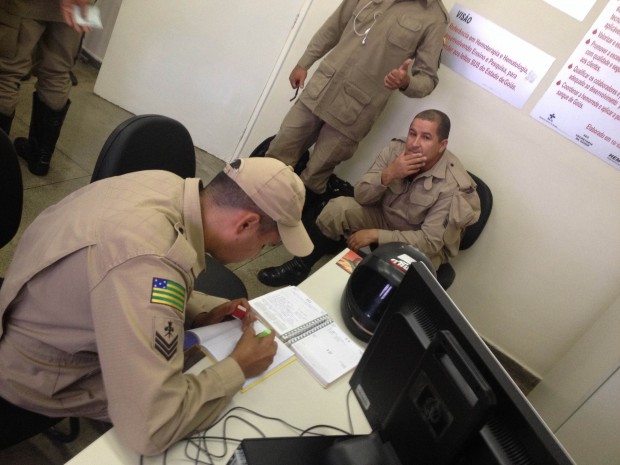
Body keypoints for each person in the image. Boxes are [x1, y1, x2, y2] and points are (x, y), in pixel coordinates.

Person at [0, 157, 313, 455]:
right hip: (34, 370)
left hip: (40, 307)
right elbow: (150, 429)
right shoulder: (149, 260)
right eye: (265, 245)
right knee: (203, 406)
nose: (257, 253)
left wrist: (197, 313)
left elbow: (132, 280)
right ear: (245, 224)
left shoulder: (166, 184)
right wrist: (239, 366)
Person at [258, 109, 481, 287]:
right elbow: (361, 195)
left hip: (422, 246)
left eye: (426, 137)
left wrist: (376, 235)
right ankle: (299, 267)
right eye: (413, 133)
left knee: (391, 281)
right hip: (386, 217)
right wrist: (390, 174)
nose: (414, 143)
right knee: (338, 208)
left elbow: (429, 242)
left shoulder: (454, 186)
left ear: (442, 145)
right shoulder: (396, 149)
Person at [266, 0, 449, 209]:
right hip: (320, 90)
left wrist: (406, 82)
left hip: (353, 113)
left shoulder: (434, 18)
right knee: (277, 154)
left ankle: (286, 223)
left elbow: (428, 79)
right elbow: (334, 26)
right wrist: (304, 62)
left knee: (312, 179)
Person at [0, 0, 91, 175]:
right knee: (57, 74)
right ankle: (40, 158)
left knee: (6, 74)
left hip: (26, 5)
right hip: (74, 8)